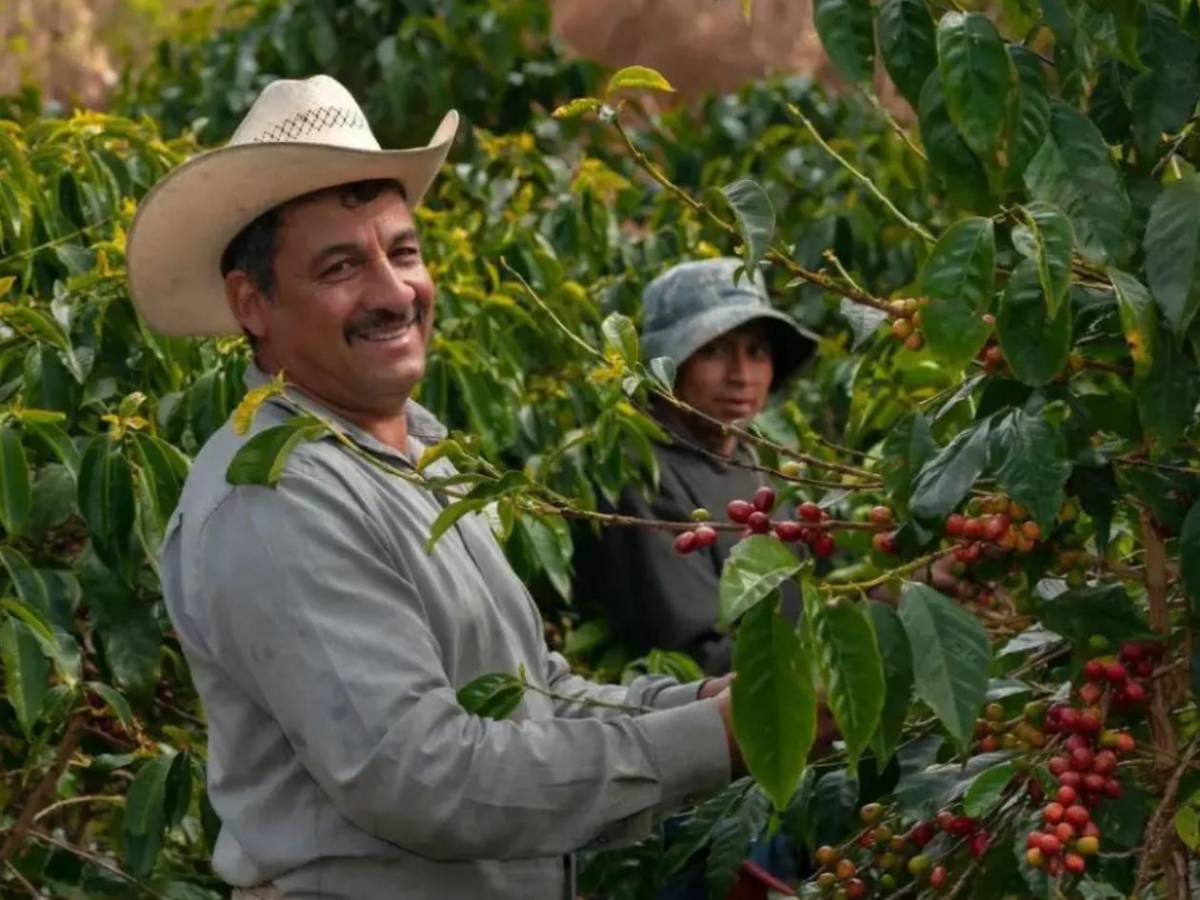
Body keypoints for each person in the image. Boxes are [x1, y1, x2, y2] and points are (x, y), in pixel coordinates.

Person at [125, 74, 740, 900]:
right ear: (253, 305)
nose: (393, 292)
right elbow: (426, 779)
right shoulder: (275, 497)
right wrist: (718, 739)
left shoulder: (421, 455)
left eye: (402, 251)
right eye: (341, 266)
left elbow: (530, 696)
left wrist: (705, 703)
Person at [574, 258, 818, 676]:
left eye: (756, 351)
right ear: (668, 365)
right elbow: (701, 655)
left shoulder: (759, 460)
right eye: (713, 350)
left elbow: (817, 597)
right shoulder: (641, 475)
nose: (741, 375)